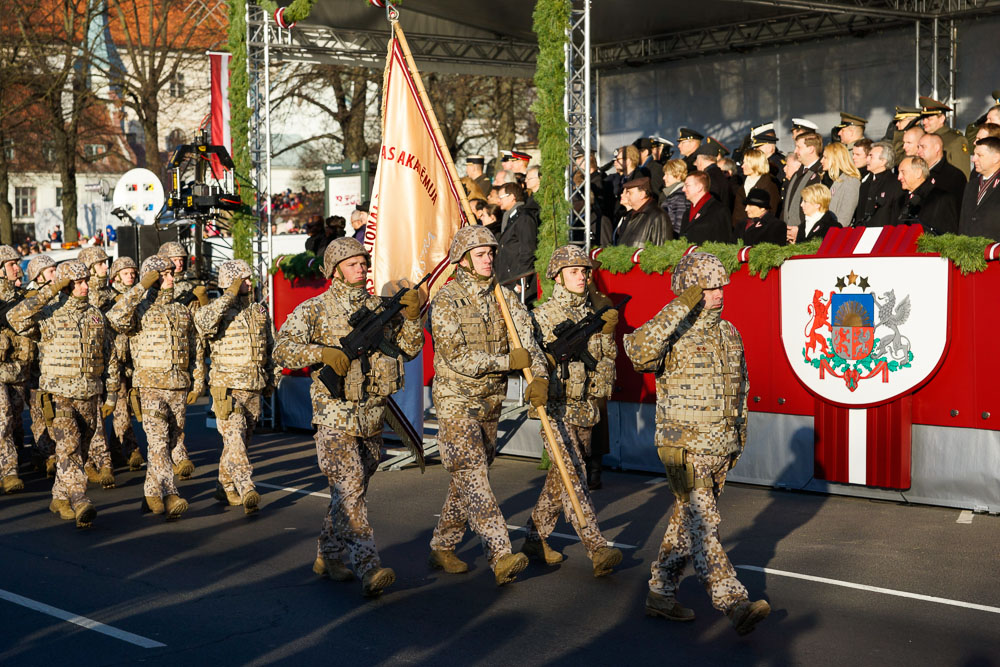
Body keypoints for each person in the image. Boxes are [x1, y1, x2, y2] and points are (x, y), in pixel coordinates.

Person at [624, 252, 769, 636]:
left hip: (719, 445)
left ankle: (660, 592)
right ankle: (732, 602)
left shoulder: (729, 332)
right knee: (704, 525)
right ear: (689, 293)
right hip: (684, 447)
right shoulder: (672, 332)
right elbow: (637, 351)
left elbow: (741, 390)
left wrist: (737, 438)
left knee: (685, 523)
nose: (719, 293)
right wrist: (677, 308)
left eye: (720, 285)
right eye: (708, 288)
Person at [273, 238, 423, 596]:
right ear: (334, 269)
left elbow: (409, 349)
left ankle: (328, 552)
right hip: (334, 416)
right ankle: (368, 566)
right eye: (352, 263)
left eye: (363, 262)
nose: (360, 268)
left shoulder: (379, 308)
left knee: (349, 494)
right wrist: (322, 352)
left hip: (371, 415)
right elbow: (282, 349)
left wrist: (413, 318)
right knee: (350, 487)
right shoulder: (315, 309)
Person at [427, 225, 542, 586]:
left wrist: (538, 376)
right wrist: (507, 362)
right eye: (480, 254)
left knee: (467, 478)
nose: (489, 258)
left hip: (491, 401)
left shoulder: (504, 298)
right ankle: (500, 553)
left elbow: (527, 340)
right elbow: (457, 356)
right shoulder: (446, 300)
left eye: (491, 253)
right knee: (474, 475)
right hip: (456, 400)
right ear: (462, 260)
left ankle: (443, 544)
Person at [524, 245, 623, 577]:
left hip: (585, 409)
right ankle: (596, 547)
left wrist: (607, 334)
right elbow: (533, 360)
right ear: (557, 277)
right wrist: (539, 380)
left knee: (560, 479)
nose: (581, 276)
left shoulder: (594, 315)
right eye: (573, 271)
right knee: (575, 475)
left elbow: (606, 364)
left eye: (584, 271)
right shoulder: (541, 317)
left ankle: (535, 538)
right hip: (556, 410)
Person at [8, 260, 119, 528]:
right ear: (66, 286)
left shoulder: (95, 315)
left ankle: (59, 496)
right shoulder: (49, 314)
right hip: (59, 396)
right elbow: (15, 318)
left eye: (84, 281)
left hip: (90, 394)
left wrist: (112, 392)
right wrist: (50, 289)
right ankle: (80, 500)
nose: (84, 286)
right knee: (69, 449)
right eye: (77, 282)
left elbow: (109, 353)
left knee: (79, 449)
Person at [107, 255, 206, 519]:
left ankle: (152, 493)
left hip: (178, 386)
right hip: (150, 387)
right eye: (165, 276)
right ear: (153, 280)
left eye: (172, 274)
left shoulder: (181, 310)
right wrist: (140, 287)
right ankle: (170, 493)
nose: (172, 279)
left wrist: (198, 382)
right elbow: (114, 318)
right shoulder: (138, 309)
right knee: (158, 442)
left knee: (171, 443)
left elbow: (195, 348)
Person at [195, 260, 274, 515]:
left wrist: (271, 379)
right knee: (235, 437)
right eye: (243, 279)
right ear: (230, 282)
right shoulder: (217, 311)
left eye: (250, 279)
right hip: (227, 388)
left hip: (253, 387)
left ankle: (225, 484)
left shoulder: (258, 311)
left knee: (238, 443)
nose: (249, 283)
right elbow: (203, 324)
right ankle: (246, 487)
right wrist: (229, 294)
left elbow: (268, 347)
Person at [22, 255, 58, 477]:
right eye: (51, 270)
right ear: (39, 276)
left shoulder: (60, 296)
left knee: (56, 414)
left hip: (57, 366)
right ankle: (47, 455)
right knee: (40, 415)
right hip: (37, 367)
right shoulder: (31, 299)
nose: (55, 274)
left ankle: (49, 454)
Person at [107, 257, 144, 471]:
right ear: (116, 276)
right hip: (116, 361)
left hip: (136, 360)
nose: (130, 275)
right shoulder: (110, 298)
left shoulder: (141, 297)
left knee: (130, 407)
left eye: (133, 272)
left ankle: (115, 449)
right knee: (121, 408)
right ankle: (131, 449)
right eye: (126, 272)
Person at [0, 245, 28, 494]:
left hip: (17, 370)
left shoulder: (20, 297)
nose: (17, 268)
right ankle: (9, 472)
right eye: (11, 264)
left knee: (15, 421)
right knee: (3, 419)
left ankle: (14, 461)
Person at [494, 183, 539, 304]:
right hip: (508, 279)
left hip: (517, 281)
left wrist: (522, 280)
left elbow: (528, 249)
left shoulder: (524, 217)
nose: (499, 201)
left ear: (512, 196)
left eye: (501, 197)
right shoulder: (509, 218)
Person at [897, 156, 958, 234]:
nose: (899, 177)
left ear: (918, 173)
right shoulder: (901, 200)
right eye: (899, 172)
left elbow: (949, 235)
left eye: (903, 172)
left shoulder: (942, 198)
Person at [958, 137, 1000, 239]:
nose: (973, 159)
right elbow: (963, 222)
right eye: (974, 155)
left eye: (979, 155)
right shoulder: (971, 185)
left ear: (996, 158)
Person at [854, 141, 904, 227]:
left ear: (883, 161)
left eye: (871, 156)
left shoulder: (895, 184)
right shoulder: (865, 184)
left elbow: (896, 214)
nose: (867, 159)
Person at [917, 133, 967, 216]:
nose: (918, 151)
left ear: (937, 148)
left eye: (923, 147)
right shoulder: (918, 172)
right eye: (918, 147)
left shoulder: (954, 176)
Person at [920, 96, 970, 178]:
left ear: (942, 119)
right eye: (924, 118)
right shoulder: (923, 138)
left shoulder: (956, 140)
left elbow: (962, 175)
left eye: (929, 118)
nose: (924, 122)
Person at [782, 131, 824, 227]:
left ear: (811, 149)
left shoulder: (820, 174)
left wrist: (800, 230)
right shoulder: (797, 174)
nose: (795, 151)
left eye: (799, 147)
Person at [616, 176, 674, 247]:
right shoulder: (630, 216)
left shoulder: (658, 217)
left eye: (629, 193)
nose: (626, 195)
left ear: (642, 195)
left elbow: (662, 251)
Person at [732, 149, 780, 230]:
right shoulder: (743, 186)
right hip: (740, 232)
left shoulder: (769, 185)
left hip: (760, 233)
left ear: (756, 164)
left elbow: (771, 212)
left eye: (746, 163)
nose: (742, 166)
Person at [681, 171, 733, 243]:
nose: (683, 189)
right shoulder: (687, 213)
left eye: (687, 185)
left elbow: (725, 242)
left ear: (699, 187)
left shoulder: (719, 211)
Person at [821, 143, 861, 228]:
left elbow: (845, 218)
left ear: (835, 159)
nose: (821, 160)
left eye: (825, 157)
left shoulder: (851, 181)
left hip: (837, 233)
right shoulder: (832, 180)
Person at [660, 159, 690, 235]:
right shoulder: (673, 195)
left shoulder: (680, 197)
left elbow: (679, 227)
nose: (664, 178)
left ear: (678, 175)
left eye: (667, 175)